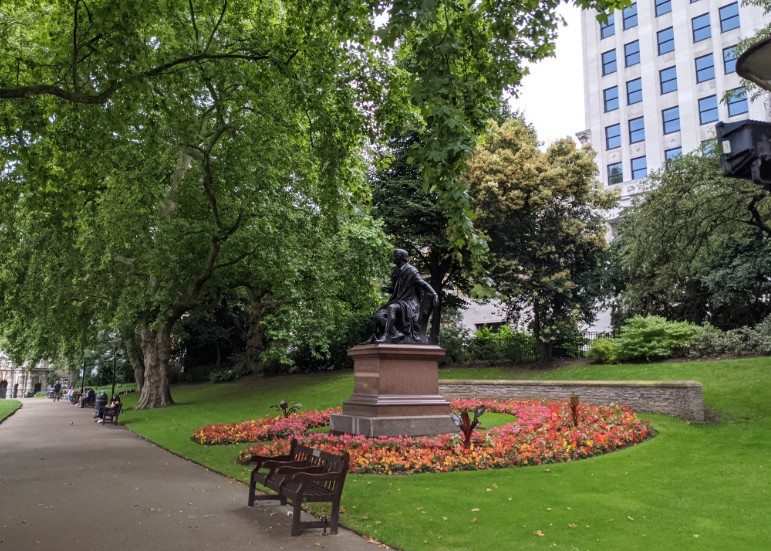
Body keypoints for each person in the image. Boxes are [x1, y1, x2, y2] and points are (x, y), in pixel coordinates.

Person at [371, 249, 439, 344]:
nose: (393, 258)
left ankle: (386, 336)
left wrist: (434, 294)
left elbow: (423, 284)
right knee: (379, 315)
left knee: (391, 307)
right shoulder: (395, 271)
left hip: (409, 302)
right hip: (398, 301)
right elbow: (398, 290)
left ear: (402, 258)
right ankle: (396, 333)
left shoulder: (411, 270)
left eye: (395, 255)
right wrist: (389, 289)